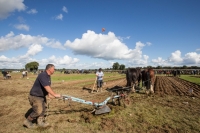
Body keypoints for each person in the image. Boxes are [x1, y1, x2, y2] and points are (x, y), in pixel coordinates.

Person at [23, 64, 62, 128]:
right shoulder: (43, 75)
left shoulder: (48, 76)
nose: (54, 70)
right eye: (54, 69)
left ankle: (40, 122)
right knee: (38, 110)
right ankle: (28, 121)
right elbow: (46, 87)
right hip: (35, 96)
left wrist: (50, 95)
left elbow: (47, 87)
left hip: (41, 96)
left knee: (43, 109)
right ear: (49, 69)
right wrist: (54, 94)